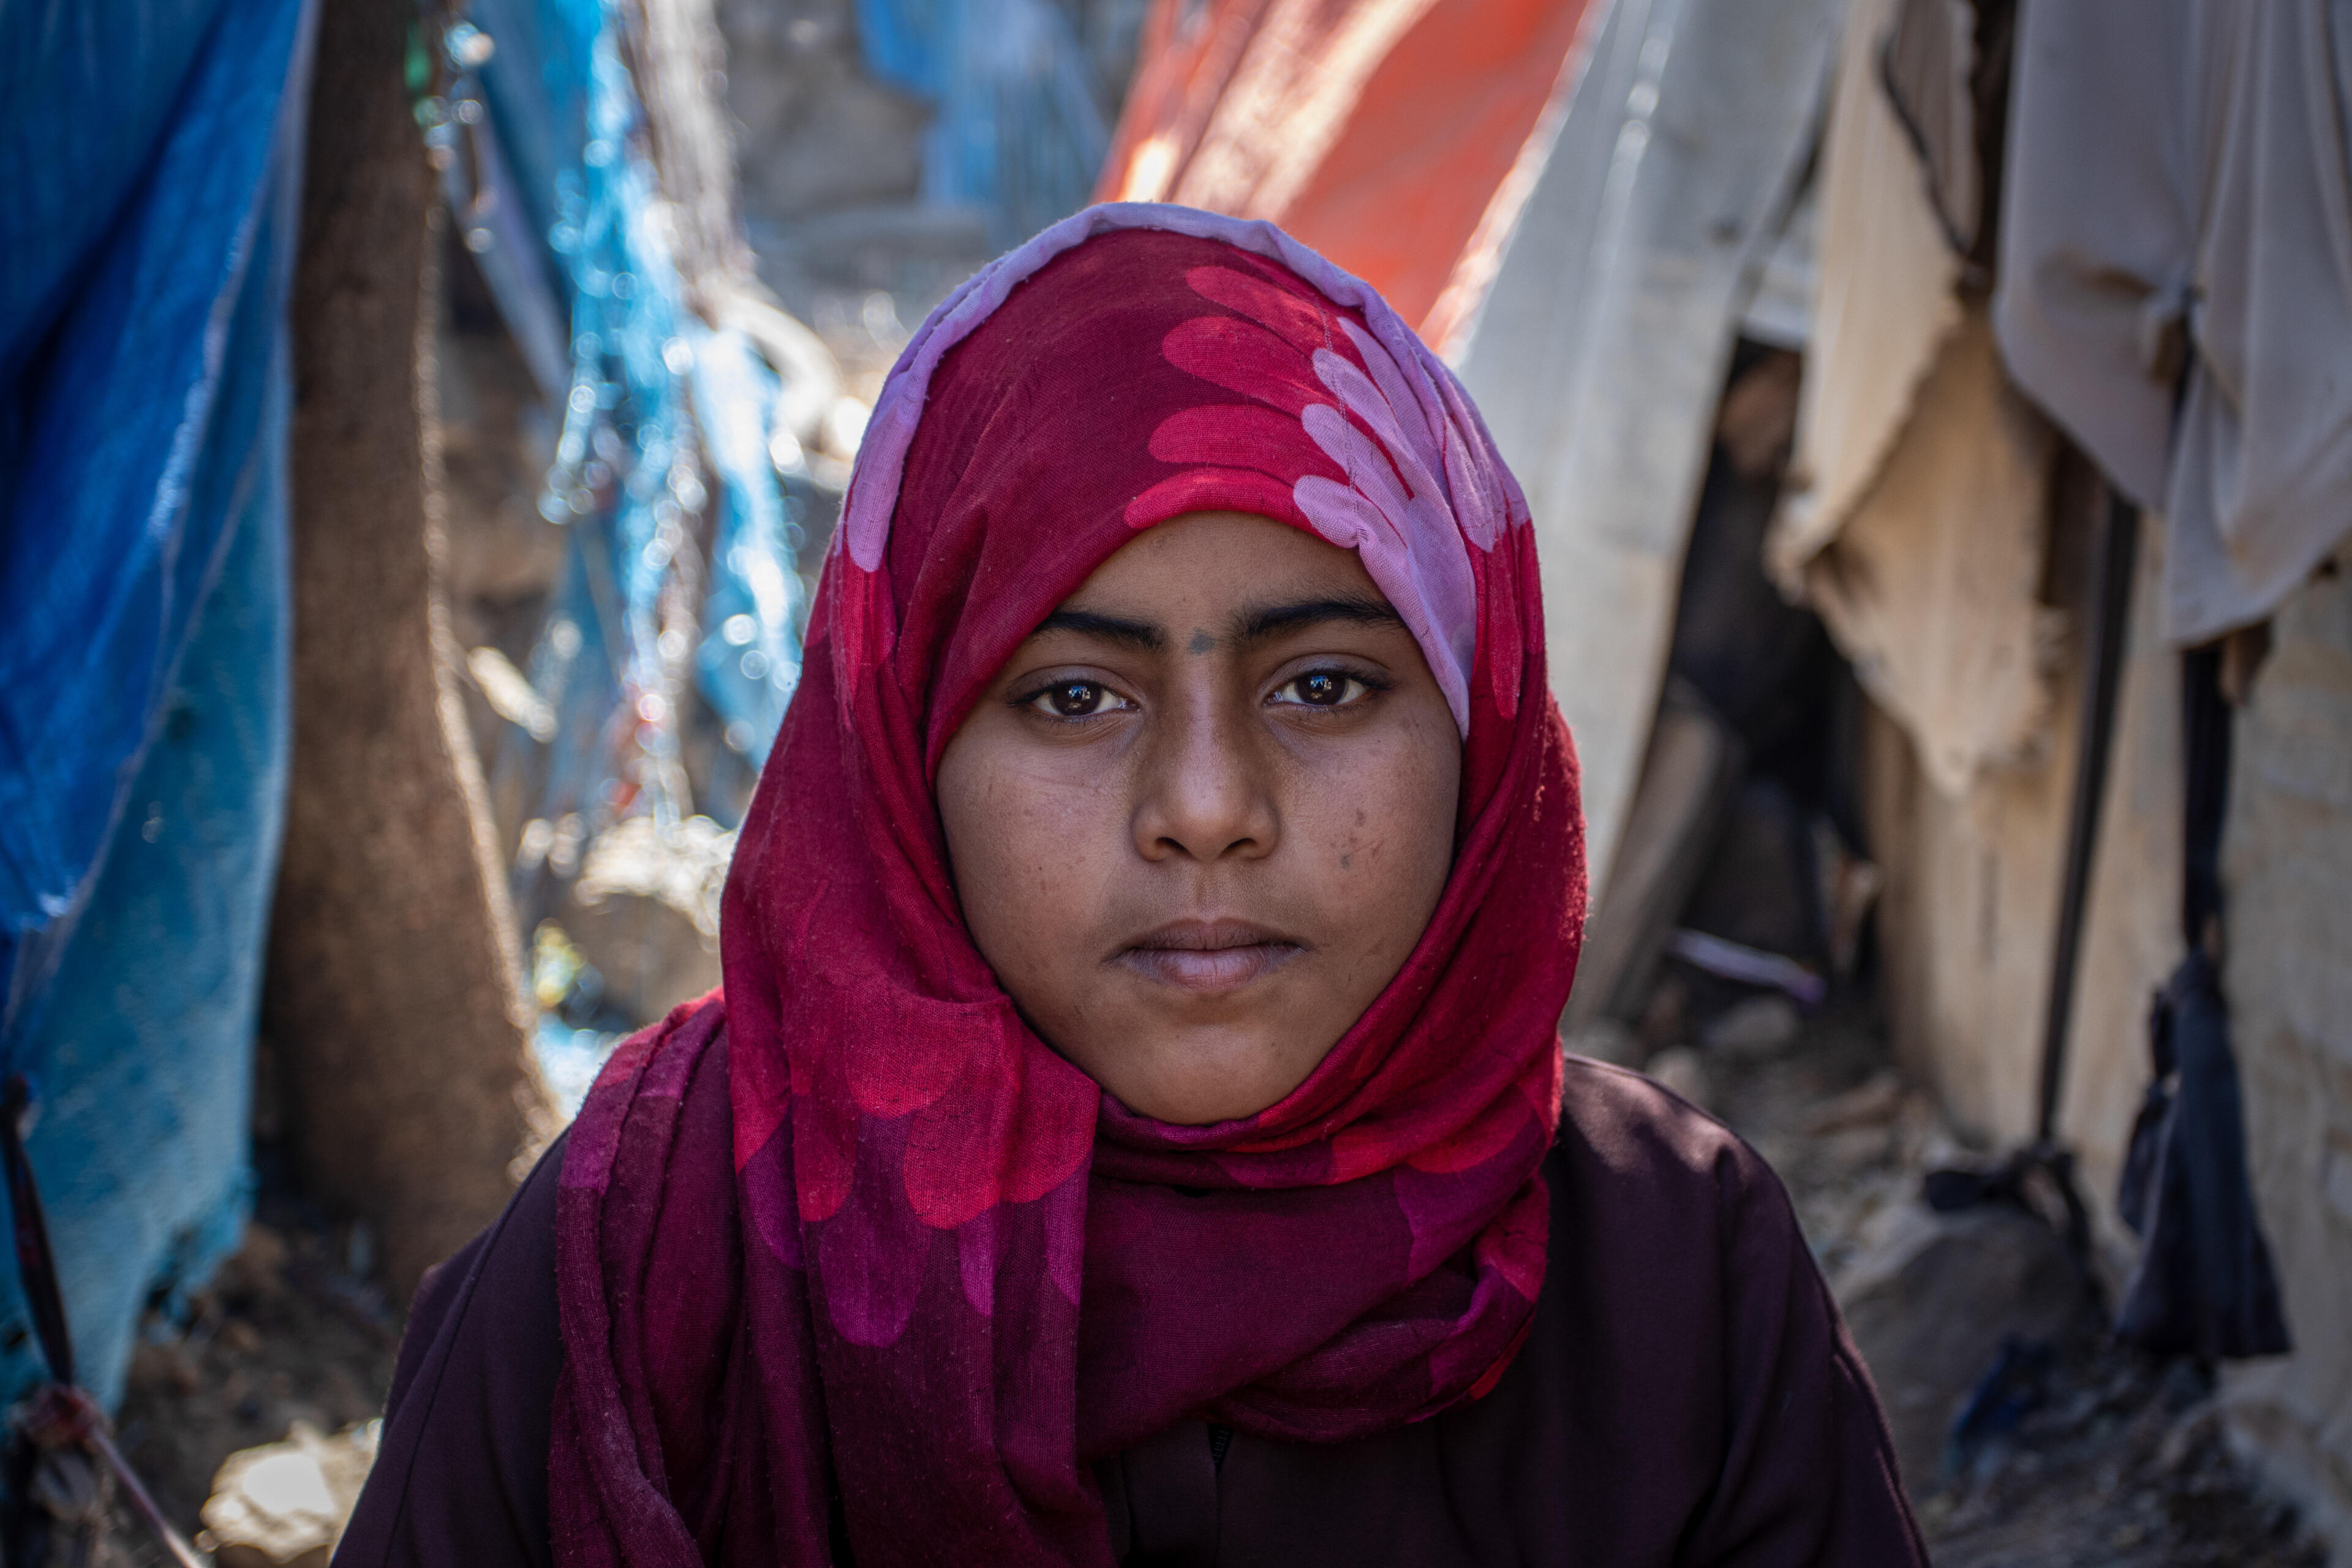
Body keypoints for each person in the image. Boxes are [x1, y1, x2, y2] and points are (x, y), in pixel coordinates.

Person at [334, 204, 1925, 1567]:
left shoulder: (1667, 1274)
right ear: (897, 751)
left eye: (1323, 686)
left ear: (1483, 721)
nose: (1209, 811)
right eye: (1075, 699)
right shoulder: (653, 1264)